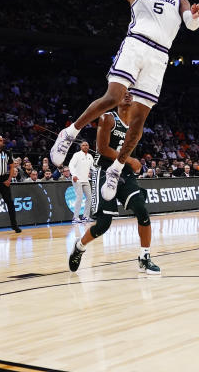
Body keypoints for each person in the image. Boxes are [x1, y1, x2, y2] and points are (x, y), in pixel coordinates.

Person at [49, 0, 199, 208]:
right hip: (136, 44)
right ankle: (69, 133)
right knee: (114, 96)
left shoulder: (179, 0)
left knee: (139, 119)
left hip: (159, 56)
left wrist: (196, 15)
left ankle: (117, 168)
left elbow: (190, 24)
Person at [68, 92, 160, 275]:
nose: (127, 94)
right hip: (104, 171)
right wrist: (130, 160)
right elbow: (102, 149)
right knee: (103, 224)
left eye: (131, 93)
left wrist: (132, 164)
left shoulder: (136, 124)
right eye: (123, 92)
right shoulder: (108, 118)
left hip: (124, 174)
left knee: (142, 210)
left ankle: (145, 257)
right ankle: (79, 246)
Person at [69, 141, 93, 223]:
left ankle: (85, 216)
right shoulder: (77, 155)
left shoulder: (90, 156)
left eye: (87, 145)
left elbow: (92, 167)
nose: (85, 146)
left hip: (86, 180)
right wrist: (74, 175)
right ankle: (75, 217)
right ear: (80, 147)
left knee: (89, 197)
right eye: (83, 145)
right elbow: (71, 165)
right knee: (79, 197)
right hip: (77, 179)